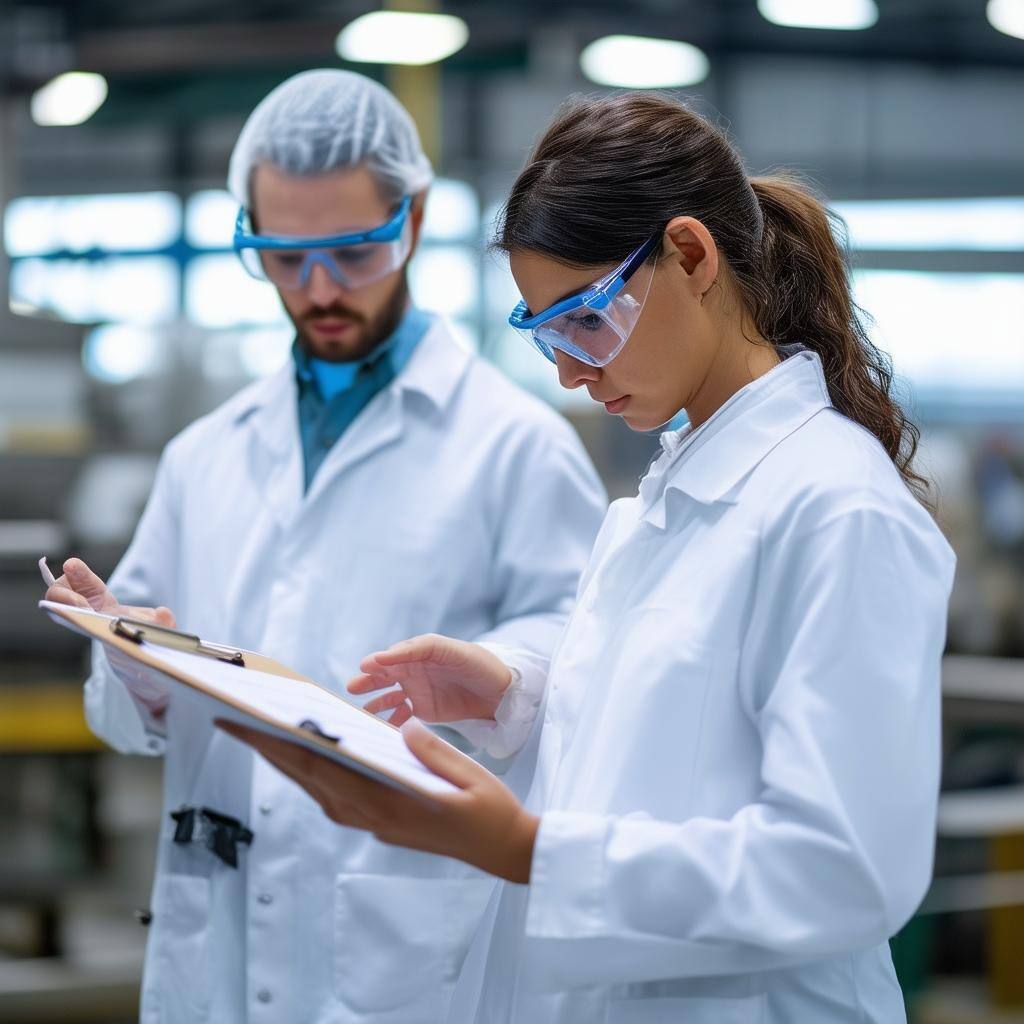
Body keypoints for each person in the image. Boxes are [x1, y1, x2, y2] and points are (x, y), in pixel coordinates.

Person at [226, 92, 957, 1024]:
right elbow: (671, 739)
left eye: (583, 318)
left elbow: (843, 871)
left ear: (691, 257)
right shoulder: (667, 497)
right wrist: (515, 692)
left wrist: (527, 850)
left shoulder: (836, 509)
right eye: (544, 333)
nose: (569, 369)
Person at [45, 70, 606, 1024]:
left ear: (414, 221)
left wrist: (499, 670)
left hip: (409, 936)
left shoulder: (515, 445)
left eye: (351, 254)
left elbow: (583, 654)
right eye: (282, 257)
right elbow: (124, 718)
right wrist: (138, 658)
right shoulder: (205, 456)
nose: (317, 291)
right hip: (217, 930)